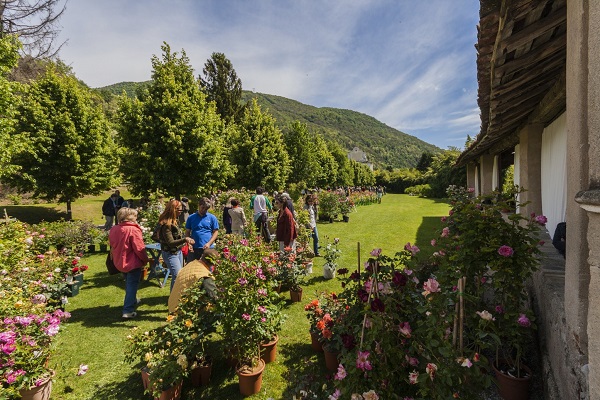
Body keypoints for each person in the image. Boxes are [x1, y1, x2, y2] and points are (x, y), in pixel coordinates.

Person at [108, 207, 150, 319]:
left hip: (119, 262)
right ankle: (128, 311)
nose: (137, 218)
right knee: (132, 285)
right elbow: (139, 248)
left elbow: (112, 244)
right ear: (130, 217)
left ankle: (133, 300)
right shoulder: (133, 230)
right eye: (135, 216)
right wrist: (145, 260)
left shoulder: (114, 229)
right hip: (132, 262)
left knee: (129, 283)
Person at [158, 199, 195, 291]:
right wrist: (185, 239)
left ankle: (174, 298)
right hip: (170, 253)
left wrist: (186, 243)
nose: (181, 212)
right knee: (178, 276)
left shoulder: (174, 221)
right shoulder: (166, 224)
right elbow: (170, 243)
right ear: (173, 210)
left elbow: (178, 237)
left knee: (178, 276)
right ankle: (174, 300)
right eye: (179, 210)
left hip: (177, 252)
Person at [167, 248, 219, 314]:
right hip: (181, 311)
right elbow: (214, 297)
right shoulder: (204, 275)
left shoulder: (191, 264)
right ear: (213, 262)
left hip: (173, 305)